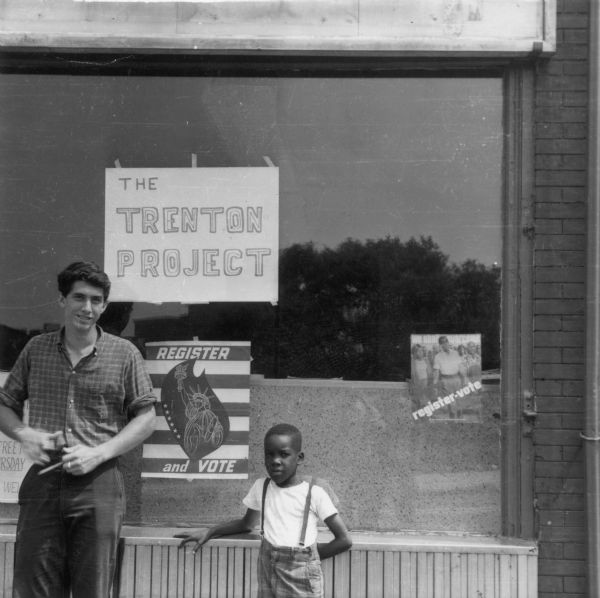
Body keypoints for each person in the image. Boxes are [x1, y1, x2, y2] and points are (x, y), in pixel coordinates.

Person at [0, 261, 157, 598]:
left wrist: (98, 453)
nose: (87, 308)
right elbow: (4, 405)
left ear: (104, 306)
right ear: (62, 300)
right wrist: (25, 434)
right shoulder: (36, 349)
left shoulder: (124, 354)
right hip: (43, 480)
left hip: (98, 483)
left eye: (96, 300)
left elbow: (146, 418)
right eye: (79, 298)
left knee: (93, 589)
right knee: (32, 588)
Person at [176, 423, 352, 598]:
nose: (275, 461)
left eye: (284, 454)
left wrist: (308, 559)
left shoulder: (314, 493)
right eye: (270, 454)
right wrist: (211, 531)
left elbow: (344, 540)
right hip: (268, 572)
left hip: (301, 580)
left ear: (299, 458)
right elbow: (246, 524)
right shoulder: (262, 487)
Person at [432, 335, 465, 418]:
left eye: (446, 342)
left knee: (459, 398)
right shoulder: (437, 357)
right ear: (440, 345)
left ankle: (460, 416)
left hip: (456, 378)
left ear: (448, 342)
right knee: (449, 400)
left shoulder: (456, 353)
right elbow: (436, 372)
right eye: (442, 343)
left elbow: (461, 367)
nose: (445, 344)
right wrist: (434, 386)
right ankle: (452, 417)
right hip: (445, 380)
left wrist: (464, 380)